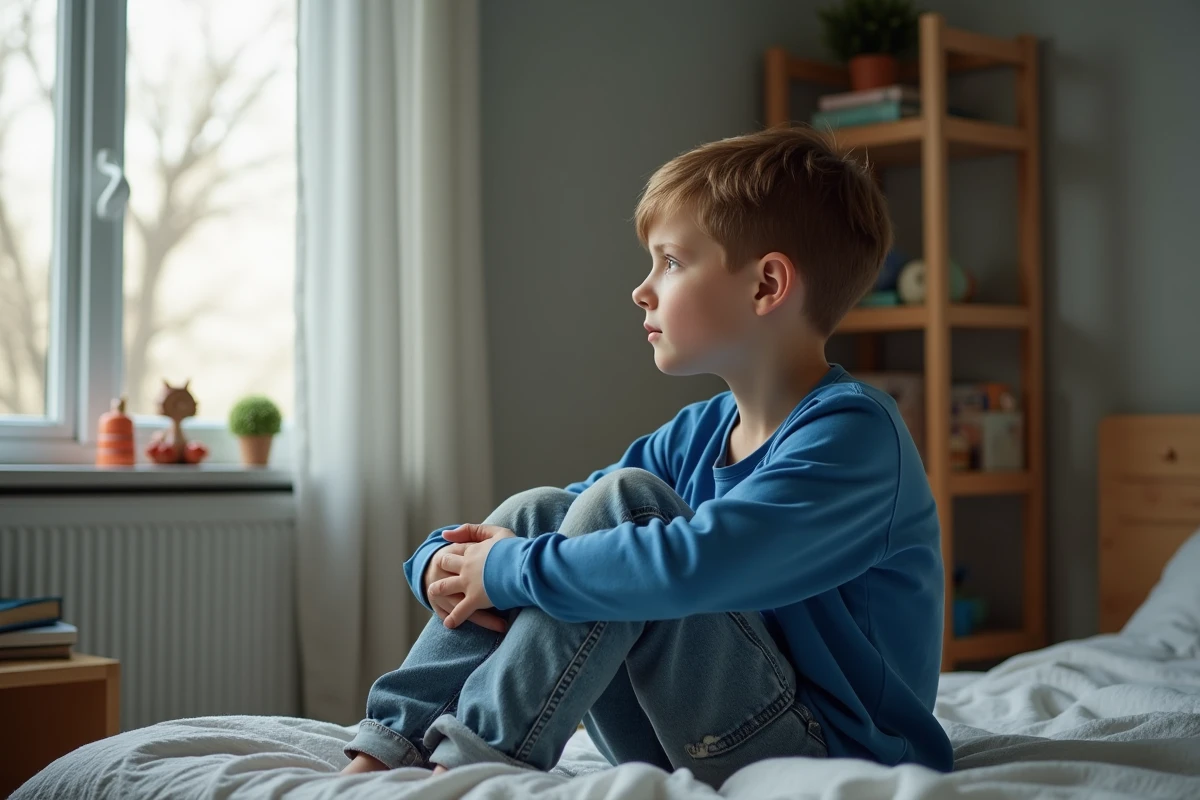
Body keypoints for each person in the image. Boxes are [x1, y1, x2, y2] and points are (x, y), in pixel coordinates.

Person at [340, 125, 953, 785]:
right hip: (687, 725)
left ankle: (471, 772)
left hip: (829, 750)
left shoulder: (854, 436)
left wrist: (508, 568)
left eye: (671, 261)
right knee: (540, 511)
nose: (643, 289)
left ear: (767, 285)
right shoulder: (702, 429)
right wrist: (440, 558)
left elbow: (697, 564)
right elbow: (557, 523)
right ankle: (385, 750)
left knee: (622, 509)